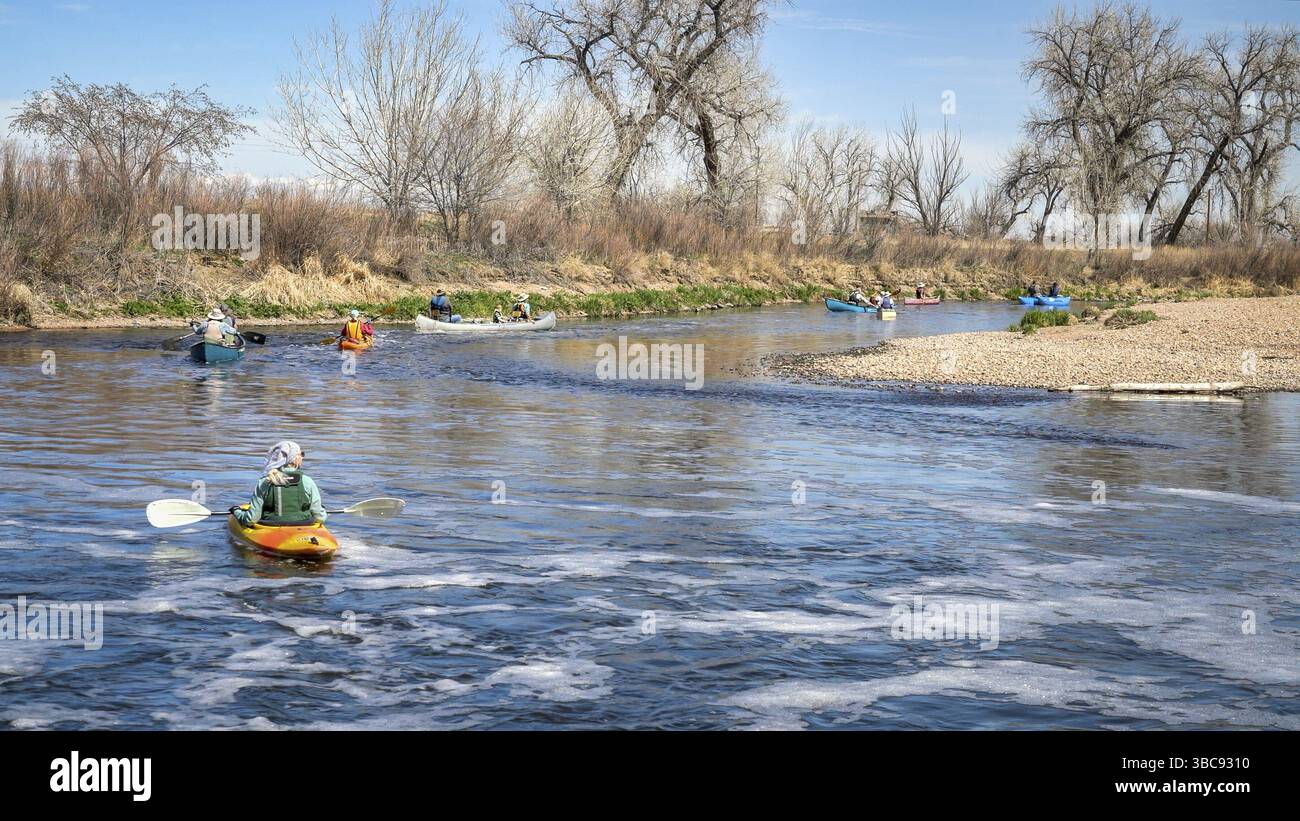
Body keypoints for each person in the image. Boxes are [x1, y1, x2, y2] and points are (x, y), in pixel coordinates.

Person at [231, 441, 327, 527]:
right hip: (303, 524)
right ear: (295, 458)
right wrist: (323, 512)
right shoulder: (308, 481)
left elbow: (250, 519)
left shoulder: (265, 482)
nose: (302, 457)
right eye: (302, 454)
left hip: (271, 525)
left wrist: (236, 512)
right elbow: (320, 517)